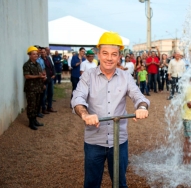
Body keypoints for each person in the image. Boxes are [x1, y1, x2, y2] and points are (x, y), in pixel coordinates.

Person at [71, 31, 150, 188]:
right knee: (92, 183)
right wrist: (85, 114)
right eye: (105, 53)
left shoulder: (125, 77)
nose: (109, 58)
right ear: (98, 54)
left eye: (114, 54)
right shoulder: (88, 75)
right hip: (94, 140)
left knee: (120, 183)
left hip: (118, 141)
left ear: (119, 56)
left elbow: (139, 97)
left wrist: (142, 107)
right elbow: (77, 98)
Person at [23, 46, 46, 130]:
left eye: (37, 54)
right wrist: (38, 76)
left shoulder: (38, 64)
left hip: (38, 88)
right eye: (34, 54)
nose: (36, 55)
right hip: (31, 89)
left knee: (37, 105)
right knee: (31, 106)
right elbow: (27, 76)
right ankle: (31, 122)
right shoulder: (27, 65)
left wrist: (43, 78)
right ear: (29, 55)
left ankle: (35, 120)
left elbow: (41, 74)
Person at [41, 47, 57, 113]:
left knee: (51, 93)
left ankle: (49, 107)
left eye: (44, 52)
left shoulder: (48, 58)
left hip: (51, 78)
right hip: (45, 79)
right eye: (42, 52)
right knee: (44, 95)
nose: (43, 53)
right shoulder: (40, 60)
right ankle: (43, 108)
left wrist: (54, 74)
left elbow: (52, 67)